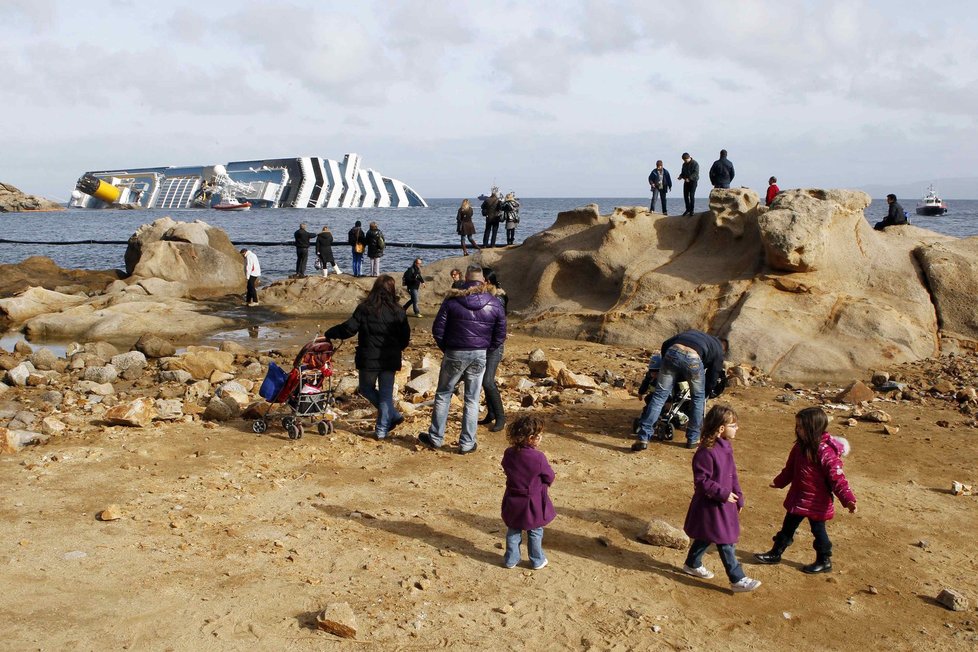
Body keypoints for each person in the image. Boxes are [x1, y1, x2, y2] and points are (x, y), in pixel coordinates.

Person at [754, 406, 857, 574]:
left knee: (818, 531)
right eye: (797, 426)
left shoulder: (825, 452)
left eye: (801, 427)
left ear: (812, 428)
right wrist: (779, 482)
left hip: (817, 501)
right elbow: (790, 469)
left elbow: (838, 478)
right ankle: (775, 553)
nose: (797, 430)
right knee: (787, 527)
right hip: (799, 498)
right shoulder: (799, 447)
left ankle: (824, 560)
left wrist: (848, 500)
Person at [417, 265, 507, 455]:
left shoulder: (452, 301)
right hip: (480, 353)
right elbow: (500, 335)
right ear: (483, 281)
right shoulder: (494, 302)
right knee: (472, 399)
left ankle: (436, 437)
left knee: (443, 394)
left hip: (455, 352)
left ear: (466, 279)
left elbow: (438, 329)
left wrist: (447, 348)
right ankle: (467, 443)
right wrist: (486, 349)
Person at [681, 405, 762, 593]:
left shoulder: (726, 448)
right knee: (725, 540)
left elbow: (732, 474)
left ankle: (692, 563)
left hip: (724, 503)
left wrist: (739, 496)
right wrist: (723, 494)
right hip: (711, 505)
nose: (737, 428)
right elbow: (701, 481)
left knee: (706, 535)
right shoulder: (705, 452)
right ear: (721, 428)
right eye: (734, 425)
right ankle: (737, 578)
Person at [324, 275, 410, 440]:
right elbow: (405, 337)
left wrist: (331, 333)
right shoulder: (399, 311)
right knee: (385, 394)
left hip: (368, 358)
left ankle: (384, 427)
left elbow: (349, 328)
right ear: (392, 291)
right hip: (390, 358)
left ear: (375, 289)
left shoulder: (365, 308)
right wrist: (397, 349)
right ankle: (388, 421)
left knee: (366, 388)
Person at [632, 330, 727, 451]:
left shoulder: (696, 334)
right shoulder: (718, 349)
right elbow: (714, 375)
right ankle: (692, 439)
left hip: (672, 351)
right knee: (698, 398)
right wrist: (706, 392)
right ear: (723, 348)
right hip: (693, 358)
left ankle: (643, 437)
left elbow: (666, 343)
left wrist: (667, 362)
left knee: (659, 396)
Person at [501, 415, 556, 570]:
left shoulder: (509, 453)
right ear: (531, 438)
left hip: (512, 499)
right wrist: (544, 483)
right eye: (539, 436)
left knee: (513, 529)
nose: (541, 438)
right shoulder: (538, 457)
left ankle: (511, 560)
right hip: (533, 501)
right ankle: (537, 560)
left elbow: (506, 467)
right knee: (535, 530)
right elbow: (549, 476)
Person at [479, 267, 508, 432]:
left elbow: (499, 325)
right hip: (485, 344)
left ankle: (501, 417)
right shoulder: (487, 296)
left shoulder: (498, 299)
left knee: (488, 381)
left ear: (487, 281)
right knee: (484, 380)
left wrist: (494, 343)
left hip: (494, 346)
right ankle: (490, 414)